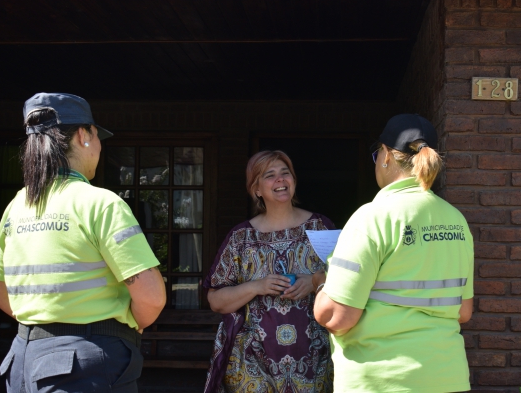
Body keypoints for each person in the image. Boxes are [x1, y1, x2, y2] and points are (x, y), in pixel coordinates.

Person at [0, 93, 166, 392]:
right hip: (87, 362)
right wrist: (130, 324)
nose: (99, 147)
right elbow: (151, 298)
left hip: (24, 359)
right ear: (85, 136)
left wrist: (43, 318)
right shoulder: (100, 203)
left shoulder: (17, 205)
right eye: (98, 136)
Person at [313, 114, 474, 392]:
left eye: (377, 154)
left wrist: (322, 286)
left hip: (382, 381)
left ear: (386, 155)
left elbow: (336, 317)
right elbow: (463, 311)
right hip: (449, 378)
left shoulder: (372, 218)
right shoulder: (456, 220)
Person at [203, 150, 334, 393]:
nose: (280, 180)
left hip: (314, 362)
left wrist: (314, 281)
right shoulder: (240, 238)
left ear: (294, 181)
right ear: (256, 189)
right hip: (251, 366)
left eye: (286, 173)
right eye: (270, 175)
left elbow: (349, 282)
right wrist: (256, 286)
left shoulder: (320, 227)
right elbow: (216, 301)